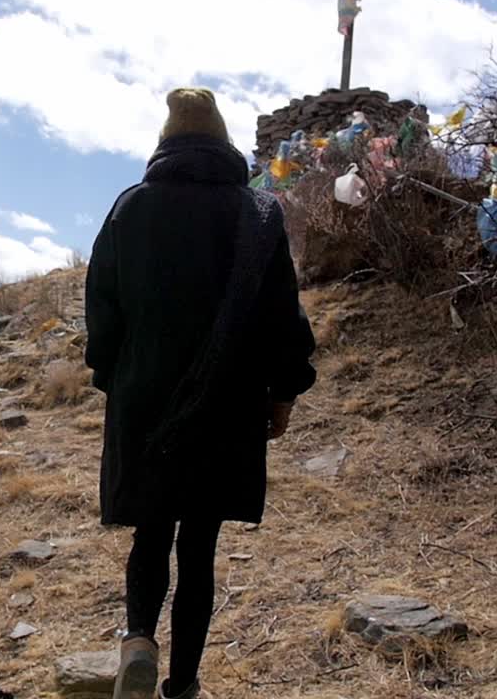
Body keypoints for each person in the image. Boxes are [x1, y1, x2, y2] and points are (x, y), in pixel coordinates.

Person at [85, 88, 317, 699]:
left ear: (165, 142)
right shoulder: (259, 212)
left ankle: (138, 638)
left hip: (144, 399)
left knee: (150, 531)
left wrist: (116, 378)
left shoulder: (129, 208)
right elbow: (281, 316)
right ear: (224, 143)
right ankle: (182, 685)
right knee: (199, 545)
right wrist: (285, 391)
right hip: (228, 401)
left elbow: (101, 309)